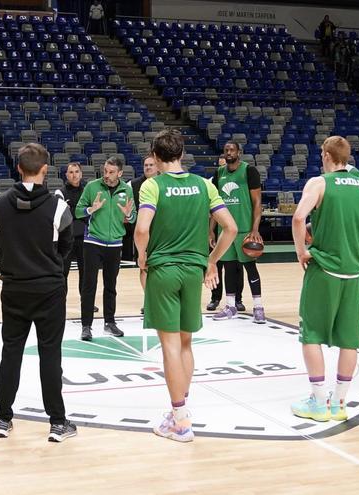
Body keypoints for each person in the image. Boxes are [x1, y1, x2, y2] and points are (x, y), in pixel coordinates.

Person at [134, 130, 237, 442]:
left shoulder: (153, 186)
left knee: (169, 346)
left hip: (163, 269)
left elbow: (141, 229)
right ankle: (181, 410)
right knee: (186, 343)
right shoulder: (204, 185)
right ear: (181, 153)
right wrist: (211, 260)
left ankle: (180, 421)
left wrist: (142, 257)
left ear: (156, 155)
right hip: (194, 270)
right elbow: (231, 228)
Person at [290, 136, 359, 422]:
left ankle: (318, 400)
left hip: (324, 270)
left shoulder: (319, 183)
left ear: (326, 155)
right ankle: (338, 404)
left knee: (311, 335)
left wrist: (301, 251)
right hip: (352, 274)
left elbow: (299, 218)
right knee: (350, 341)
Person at [0, 143, 77, 442]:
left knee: (10, 352)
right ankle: (57, 422)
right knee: (50, 355)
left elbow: (0, 238)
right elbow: (67, 246)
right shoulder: (59, 206)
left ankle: (3, 419)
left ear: (18, 168)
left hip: (13, 287)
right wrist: (52, 267)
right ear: (45, 170)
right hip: (49, 290)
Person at [75, 156, 136, 341]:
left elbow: (133, 217)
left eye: (111, 172)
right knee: (89, 285)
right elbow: (78, 211)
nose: (107, 176)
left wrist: (129, 215)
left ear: (120, 173)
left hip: (115, 243)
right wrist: (90, 210)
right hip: (93, 242)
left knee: (111, 285)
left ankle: (110, 322)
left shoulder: (127, 189)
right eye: (105, 172)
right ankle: (86, 325)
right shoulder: (92, 187)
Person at [209, 141, 266, 323]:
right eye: (226, 150)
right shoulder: (219, 173)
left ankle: (258, 307)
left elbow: (257, 203)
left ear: (239, 152)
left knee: (250, 268)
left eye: (232, 149)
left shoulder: (249, 171)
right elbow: (214, 205)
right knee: (229, 269)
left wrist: (255, 229)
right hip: (225, 230)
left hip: (244, 230)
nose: (229, 152)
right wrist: (211, 230)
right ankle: (230, 306)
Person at [207, 153, 245, 313]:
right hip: (220, 228)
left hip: (236, 228)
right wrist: (210, 231)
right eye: (220, 164)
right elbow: (214, 212)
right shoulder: (213, 181)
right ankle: (215, 298)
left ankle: (238, 299)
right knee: (216, 263)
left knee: (236, 267)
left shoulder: (240, 180)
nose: (223, 167)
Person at [55, 162, 94, 312]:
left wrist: (79, 212)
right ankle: (60, 302)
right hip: (66, 239)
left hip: (85, 238)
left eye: (77, 171)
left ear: (81, 173)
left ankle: (86, 302)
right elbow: (64, 215)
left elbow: (89, 213)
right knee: (63, 272)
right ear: (66, 175)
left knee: (85, 272)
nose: (74, 175)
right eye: (71, 172)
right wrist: (83, 212)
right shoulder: (60, 192)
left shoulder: (87, 191)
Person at [129, 154, 159, 299]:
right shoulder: (133, 184)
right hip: (143, 232)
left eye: (151, 165)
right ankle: (149, 299)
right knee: (144, 267)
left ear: (157, 167)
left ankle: (159, 298)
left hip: (161, 232)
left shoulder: (163, 182)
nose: (147, 167)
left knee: (160, 267)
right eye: (146, 165)